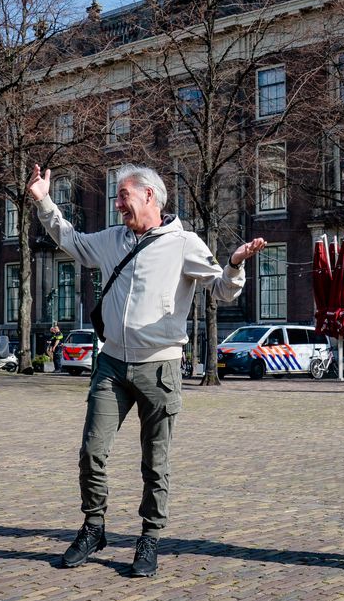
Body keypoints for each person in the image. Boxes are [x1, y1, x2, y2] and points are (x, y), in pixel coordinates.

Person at [28, 163, 266, 577]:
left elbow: (223, 291)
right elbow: (71, 240)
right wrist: (43, 200)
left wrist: (234, 263)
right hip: (111, 365)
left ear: (150, 197)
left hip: (160, 369)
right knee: (91, 452)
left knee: (155, 462)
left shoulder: (184, 243)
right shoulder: (111, 239)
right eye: (117, 198)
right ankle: (94, 527)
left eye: (124, 197)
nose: (117, 204)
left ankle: (150, 539)